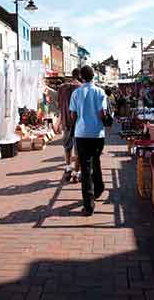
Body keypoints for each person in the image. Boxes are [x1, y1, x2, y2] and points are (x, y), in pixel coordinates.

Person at [69, 65, 108, 216]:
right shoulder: (100, 92)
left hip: (82, 134)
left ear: (81, 77)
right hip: (97, 134)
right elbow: (102, 113)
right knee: (96, 160)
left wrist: (79, 121)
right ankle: (98, 187)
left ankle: (89, 205)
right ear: (93, 77)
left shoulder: (76, 93)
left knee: (85, 169)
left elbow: (73, 115)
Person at [57, 68, 82, 182]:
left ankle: (68, 169)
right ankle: (76, 173)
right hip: (78, 122)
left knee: (67, 147)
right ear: (80, 75)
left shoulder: (62, 88)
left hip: (66, 122)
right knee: (78, 149)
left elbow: (60, 107)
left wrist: (59, 122)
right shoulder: (81, 88)